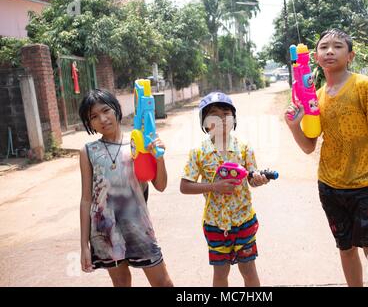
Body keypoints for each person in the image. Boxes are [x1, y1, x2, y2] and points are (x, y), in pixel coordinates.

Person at [284, 29, 368, 287]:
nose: (329, 51)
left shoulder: (363, 86)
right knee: (345, 250)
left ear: (350, 56)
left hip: (364, 188)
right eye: (324, 47)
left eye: (337, 46)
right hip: (329, 188)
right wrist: (294, 126)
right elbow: (308, 147)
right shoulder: (318, 96)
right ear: (315, 57)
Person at [78, 89, 173, 287]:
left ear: (116, 110)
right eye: (94, 117)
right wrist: (84, 245)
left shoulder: (138, 142)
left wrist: (159, 157)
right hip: (105, 232)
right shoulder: (88, 151)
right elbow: (86, 199)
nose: (102, 119)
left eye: (106, 111)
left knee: (163, 283)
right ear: (89, 124)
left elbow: (160, 185)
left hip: (139, 228)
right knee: (121, 283)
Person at [180, 92, 270, 287]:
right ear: (204, 122)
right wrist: (215, 186)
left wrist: (258, 180)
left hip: (243, 220)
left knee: (248, 270)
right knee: (221, 273)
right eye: (214, 114)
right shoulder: (198, 152)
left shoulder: (244, 148)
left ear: (234, 119)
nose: (221, 119)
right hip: (215, 225)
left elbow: (251, 179)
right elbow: (185, 186)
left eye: (226, 113)